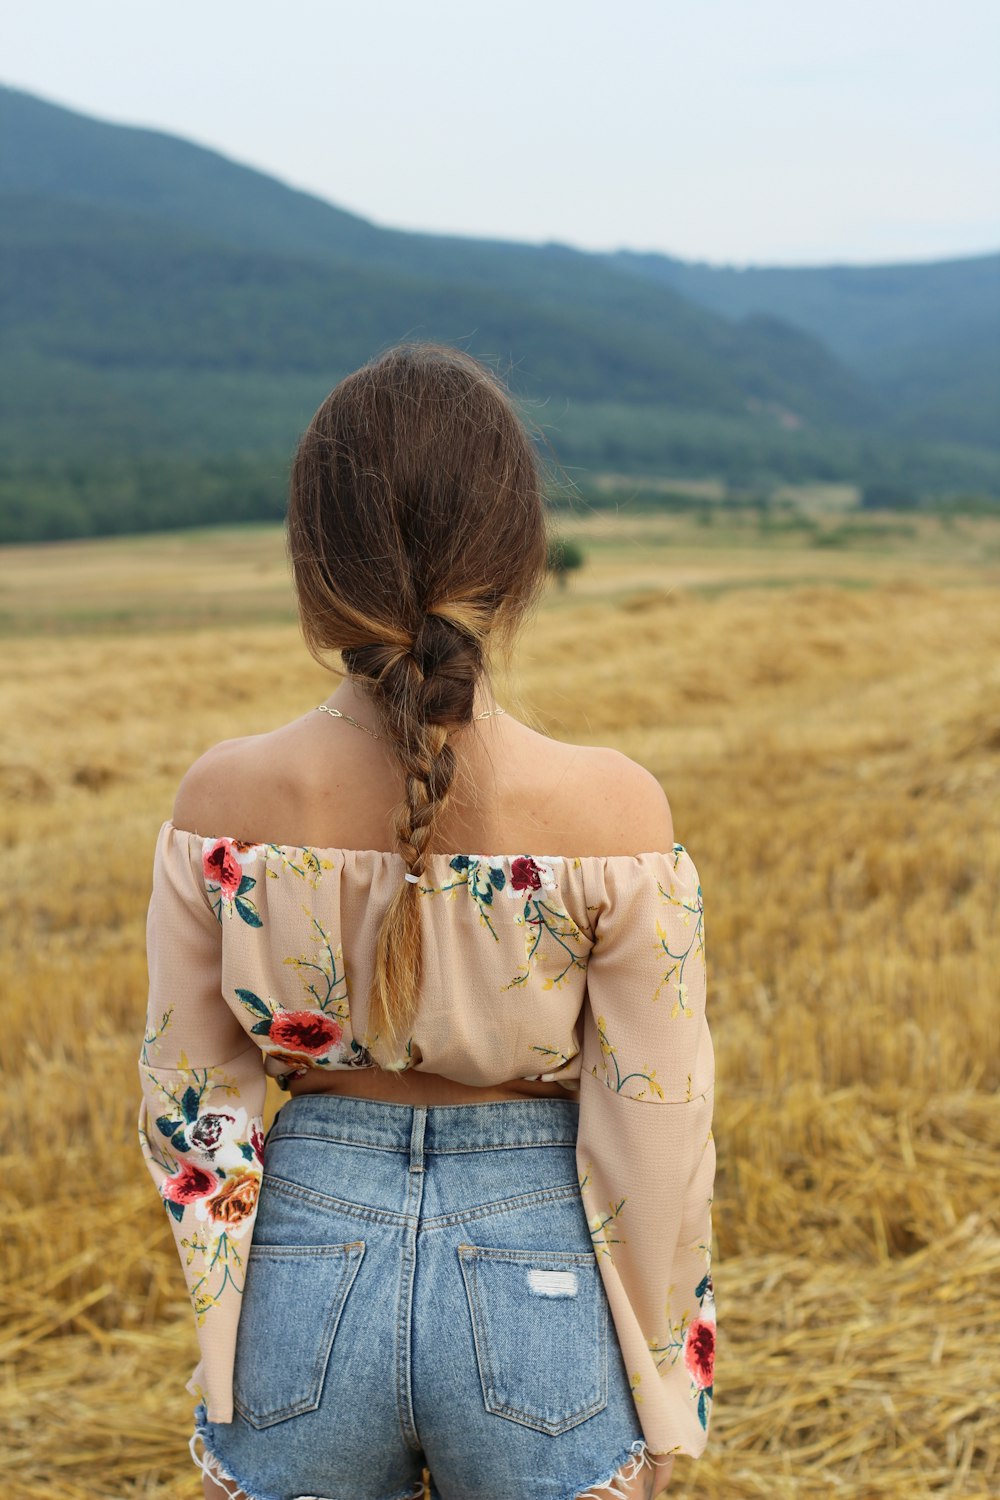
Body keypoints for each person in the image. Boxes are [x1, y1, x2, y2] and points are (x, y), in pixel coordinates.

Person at [137, 342, 716, 1500]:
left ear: (314, 567)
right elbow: (658, 1136)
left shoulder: (221, 803)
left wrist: (228, 1336)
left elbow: (188, 1103)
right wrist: (662, 1400)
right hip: (543, 1273)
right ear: (518, 566)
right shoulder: (614, 810)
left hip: (299, 1277)